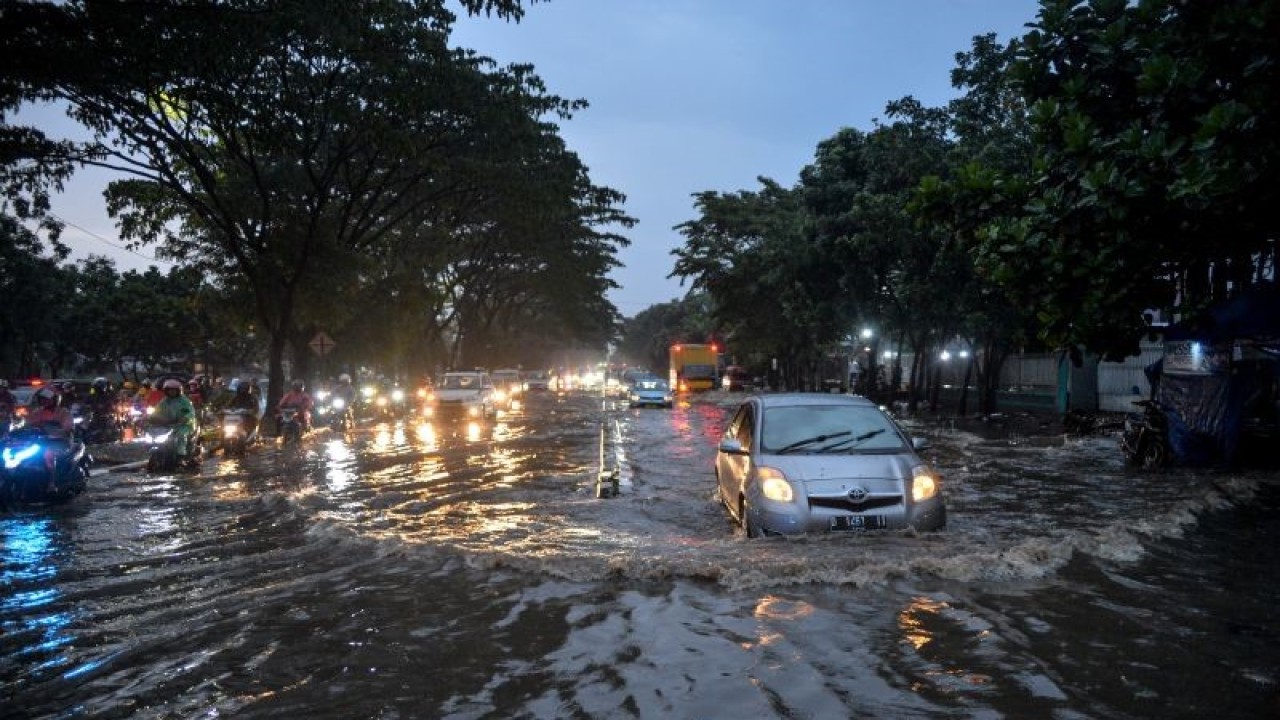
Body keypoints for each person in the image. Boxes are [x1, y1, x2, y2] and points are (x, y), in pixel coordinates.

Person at [28, 387, 77, 491]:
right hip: (42, 442)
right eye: (42, 399)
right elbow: (28, 425)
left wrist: (55, 432)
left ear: (55, 400)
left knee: (48, 453)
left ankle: (51, 483)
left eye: (47, 399)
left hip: (61, 443)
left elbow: (67, 428)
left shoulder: (63, 412)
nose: (44, 401)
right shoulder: (37, 412)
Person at [150, 378, 199, 461]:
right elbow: (156, 411)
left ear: (178, 391)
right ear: (166, 391)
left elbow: (191, 412)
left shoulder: (184, 401)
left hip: (185, 425)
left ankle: (181, 456)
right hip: (168, 425)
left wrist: (185, 418)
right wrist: (151, 417)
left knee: (180, 436)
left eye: (174, 390)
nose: (172, 392)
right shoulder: (164, 401)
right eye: (170, 390)